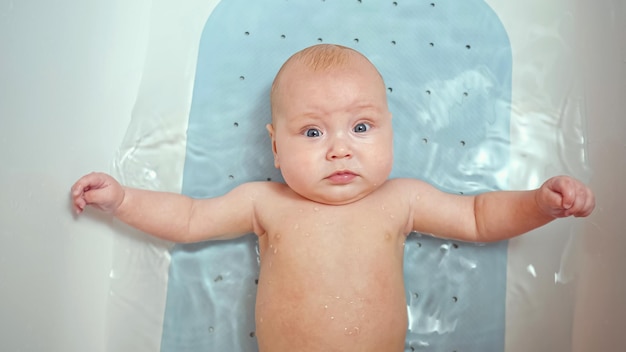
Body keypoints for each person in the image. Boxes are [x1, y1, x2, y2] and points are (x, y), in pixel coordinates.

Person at [71, 44, 595, 352]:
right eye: (313, 133)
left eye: (361, 126)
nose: (340, 149)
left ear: (392, 131)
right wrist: (122, 200)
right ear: (276, 148)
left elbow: (480, 218)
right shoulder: (265, 202)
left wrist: (540, 204)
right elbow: (187, 218)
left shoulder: (401, 200)